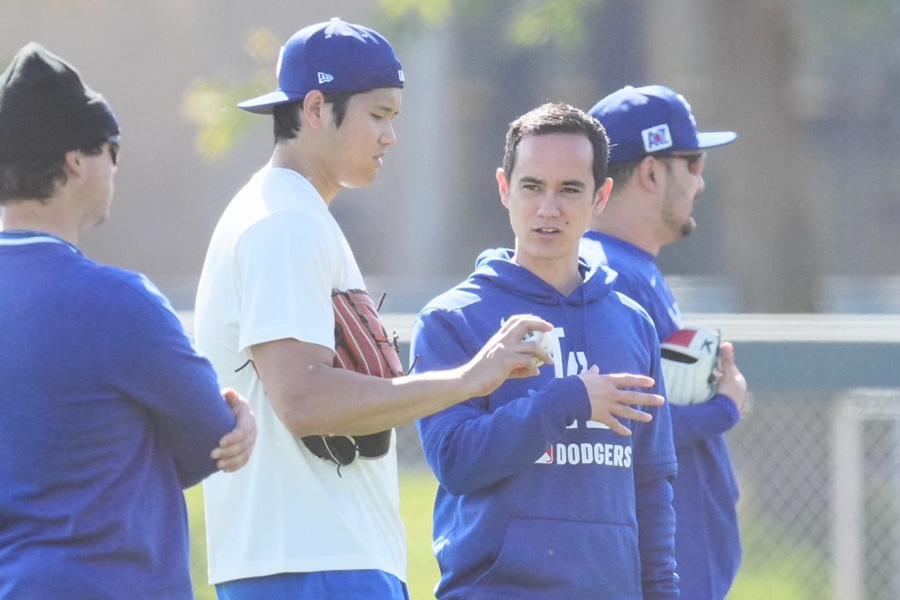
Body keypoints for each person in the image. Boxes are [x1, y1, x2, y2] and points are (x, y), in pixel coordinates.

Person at [194, 18, 551, 600]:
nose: (390, 137)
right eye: (378, 115)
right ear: (314, 108)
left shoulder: (296, 215)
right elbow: (305, 401)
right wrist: (466, 379)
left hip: (316, 559)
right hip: (310, 564)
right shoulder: (284, 224)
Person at [0, 43, 256, 599]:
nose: (115, 166)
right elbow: (213, 436)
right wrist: (240, 417)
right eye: (111, 149)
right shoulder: (118, 302)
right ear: (76, 159)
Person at [411, 103, 679, 599]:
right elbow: (456, 463)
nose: (548, 208)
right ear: (503, 188)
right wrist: (568, 400)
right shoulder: (453, 318)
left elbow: (651, 486)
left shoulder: (632, 324)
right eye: (532, 186)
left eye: (570, 189)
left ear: (600, 197)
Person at [583, 84, 749, 600]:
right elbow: (613, 425)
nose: (701, 181)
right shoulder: (606, 272)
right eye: (693, 162)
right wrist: (724, 408)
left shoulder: (633, 267)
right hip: (650, 574)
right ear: (653, 172)